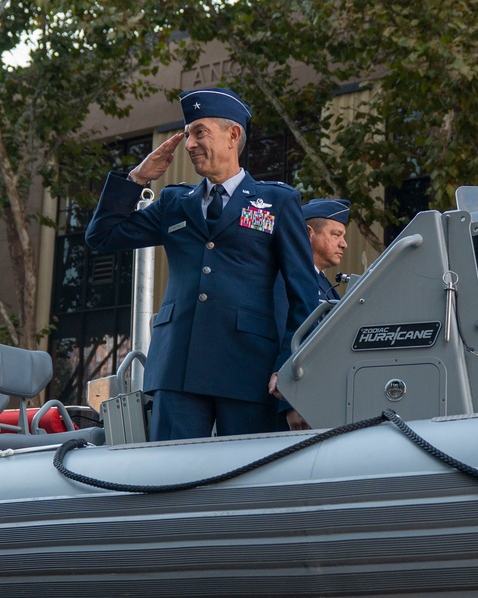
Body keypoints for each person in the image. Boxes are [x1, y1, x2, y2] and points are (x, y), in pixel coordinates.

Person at [85, 87, 317, 441]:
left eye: (199, 132)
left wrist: (289, 369)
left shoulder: (276, 202)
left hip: (249, 369)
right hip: (178, 368)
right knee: (171, 479)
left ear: (233, 135)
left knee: (246, 481)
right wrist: (137, 179)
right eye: (187, 133)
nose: (189, 143)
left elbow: (302, 296)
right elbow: (102, 236)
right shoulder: (175, 203)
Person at [274, 197, 351, 430]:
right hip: (294, 408)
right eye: (336, 235)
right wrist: (291, 400)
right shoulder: (283, 277)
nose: (344, 244)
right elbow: (284, 336)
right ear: (309, 233)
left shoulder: (322, 284)